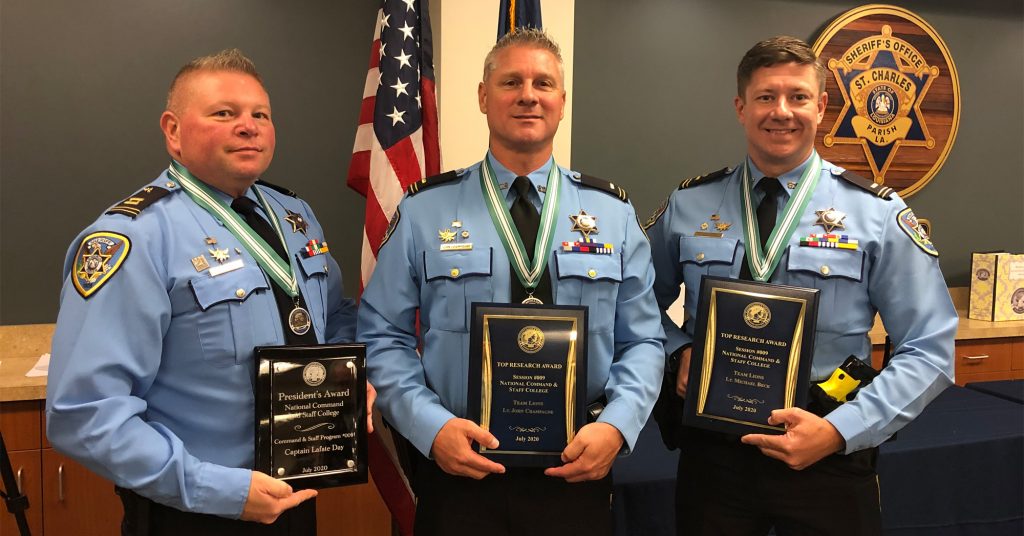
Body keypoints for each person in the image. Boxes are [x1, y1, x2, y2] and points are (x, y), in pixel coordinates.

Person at [46, 49, 372, 535]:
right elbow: (84, 412)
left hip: (295, 493)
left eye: (260, 114)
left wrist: (354, 376)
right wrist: (215, 490)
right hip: (195, 510)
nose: (249, 126)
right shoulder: (135, 238)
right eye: (225, 113)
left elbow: (333, 316)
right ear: (173, 131)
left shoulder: (293, 216)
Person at [357, 28, 665, 536]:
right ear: (483, 96)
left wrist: (617, 425)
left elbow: (645, 340)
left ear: (561, 101)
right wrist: (430, 429)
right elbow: (381, 335)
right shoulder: (422, 210)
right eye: (511, 82)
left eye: (543, 83)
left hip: (576, 470)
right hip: (460, 469)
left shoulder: (612, 215)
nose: (528, 94)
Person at [646, 36, 957, 535]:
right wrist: (679, 347)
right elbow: (635, 303)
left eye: (798, 97)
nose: (781, 112)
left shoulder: (876, 214)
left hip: (825, 448)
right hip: (715, 454)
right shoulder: (688, 205)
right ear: (740, 107)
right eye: (766, 97)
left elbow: (931, 348)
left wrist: (840, 430)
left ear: (823, 107)